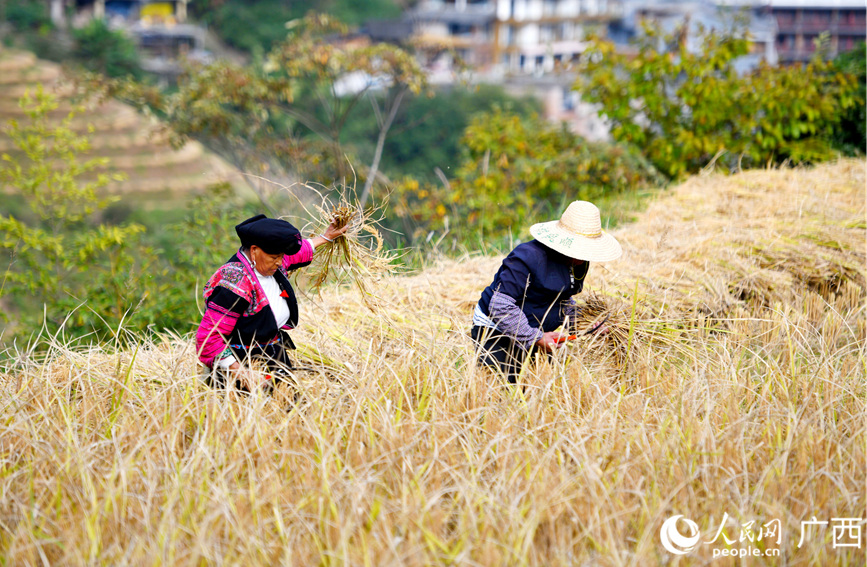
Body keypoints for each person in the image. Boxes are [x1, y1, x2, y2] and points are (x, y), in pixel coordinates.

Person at [471, 201, 622, 383]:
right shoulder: (528, 258)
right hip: (497, 327)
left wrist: (585, 322)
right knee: (503, 389)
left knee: (539, 387)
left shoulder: (578, 263)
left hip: (536, 325)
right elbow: (500, 305)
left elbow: (561, 299)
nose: (584, 257)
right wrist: (535, 337)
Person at [196, 214, 347, 392]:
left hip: (273, 358)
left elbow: (296, 254)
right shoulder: (233, 283)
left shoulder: (269, 263)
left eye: (282, 256)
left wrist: (326, 237)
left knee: (291, 414)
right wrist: (243, 373)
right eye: (275, 256)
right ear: (254, 250)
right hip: (241, 371)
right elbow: (207, 340)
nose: (280, 262)